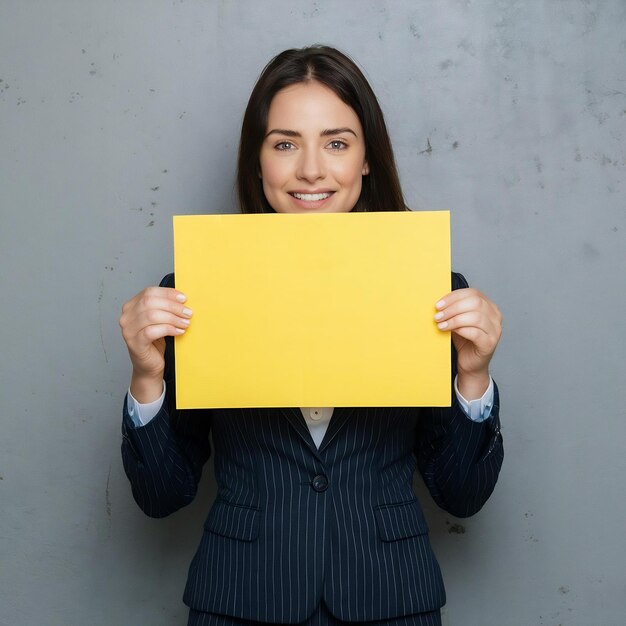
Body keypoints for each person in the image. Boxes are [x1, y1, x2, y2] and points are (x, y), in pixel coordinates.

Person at [119, 46, 503, 626]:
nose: (311, 170)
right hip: (240, 600)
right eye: (284, 143)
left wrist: (472, 377)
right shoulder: (196, 290)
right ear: (258, 162)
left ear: (367, 159)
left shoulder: (433, 289)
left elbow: (463, 496)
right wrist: (147, 378)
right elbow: (160, 497)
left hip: (392, 600)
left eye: (337, 142)